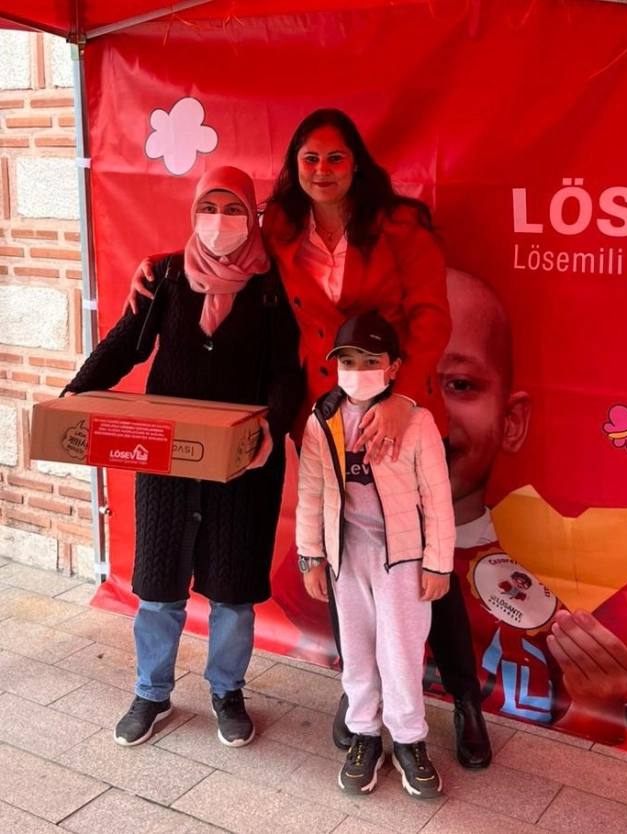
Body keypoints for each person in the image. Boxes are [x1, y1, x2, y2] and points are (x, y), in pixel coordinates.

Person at [127, 109, 492, 768]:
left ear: (357, 163)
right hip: (326, 421)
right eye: (310, 159)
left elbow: (432, 319)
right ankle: (361, 702)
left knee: (421, 560)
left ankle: (465, 699)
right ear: (295, 167)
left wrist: (402, 401)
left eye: (335, 157)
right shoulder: (282, 227)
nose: (322, 170)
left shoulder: (400, 227)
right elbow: (223, 244)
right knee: (345, 559)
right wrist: (154, 266)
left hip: (399, 415)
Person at [65, 166, 304, 748]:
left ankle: (227, 691)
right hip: (167, 461)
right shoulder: (167, 274)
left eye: (233, 209)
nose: (220, 221)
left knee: (233, 590)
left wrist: (271, 427)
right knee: (159, 585)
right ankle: (151, 693)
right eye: (209, 208)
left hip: (243, 464)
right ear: (194, 212)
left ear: (252, 215)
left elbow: (287, 371)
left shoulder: (273, 286)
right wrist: (76, 393)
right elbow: (127, 343)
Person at [438, 267, 627, 742]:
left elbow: (615, 742)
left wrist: (597, 704)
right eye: (398, 379)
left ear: (512, 422)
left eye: (459, 384)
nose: (429, 413)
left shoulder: (580, 580)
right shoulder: (339, 553)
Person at [297, 311, 454, 797]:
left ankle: (408, 740)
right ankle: (364, 734)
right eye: (347, 361)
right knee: (358, 651)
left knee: (401, 652)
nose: (358, 370)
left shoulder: (418, 422)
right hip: (347, 559)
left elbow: (437, 498)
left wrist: (438, 563)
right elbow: (310, 491)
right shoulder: (322, 421)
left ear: (393, 367)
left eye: (370, 361)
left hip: (402, 561)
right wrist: (311, 556)